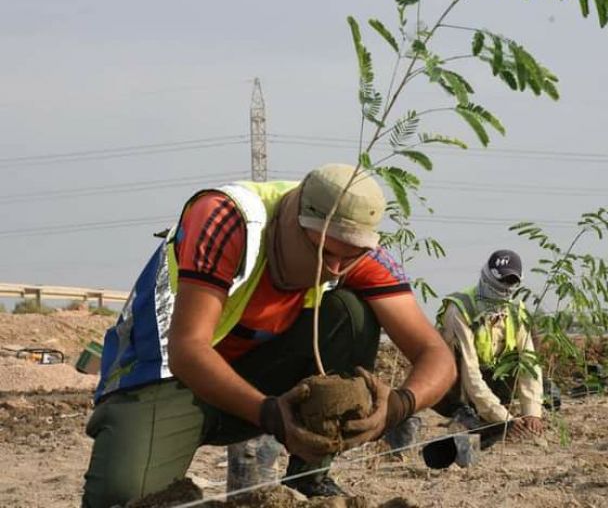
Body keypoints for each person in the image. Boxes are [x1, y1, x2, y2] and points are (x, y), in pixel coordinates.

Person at [82, 164, 456, 507]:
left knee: (351, 314)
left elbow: (433, 352)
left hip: (257, 380)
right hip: (164, 377)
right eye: (326, 252)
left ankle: (311, 474)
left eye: (350, 257)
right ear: (292, 220)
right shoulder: (225, 219)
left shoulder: (353, 251)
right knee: (124, 499)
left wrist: (399, 406)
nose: (335, 269)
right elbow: (187, 350)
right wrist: (271, 415)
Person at [389, 249, 543, 454]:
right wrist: (504, 418)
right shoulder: (461, 310)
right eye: (501, 282)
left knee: (530, 341)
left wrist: (532, 412)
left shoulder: (517, 311)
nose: (504, 288)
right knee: (474, 424)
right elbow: (469, 373)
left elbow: (528, 364)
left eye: (510, 282)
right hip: (451, 382)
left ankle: (482, 423)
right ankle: (453, 416)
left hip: (490, 379)